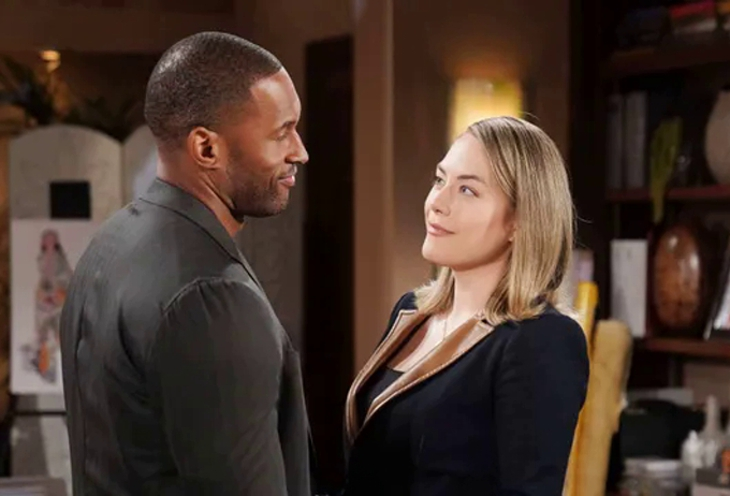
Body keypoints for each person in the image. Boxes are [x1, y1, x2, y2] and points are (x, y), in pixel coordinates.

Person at [60, 32, 311, 495]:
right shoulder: (213, 297)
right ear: (206, 148)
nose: (300, 151)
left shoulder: (109, 244)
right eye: (282, 132)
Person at [342, 116, 590, 495]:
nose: (437, 203)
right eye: (439, 180)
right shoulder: (412, 312)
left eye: (467, 190)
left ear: (519, 221)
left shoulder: (541, 339)